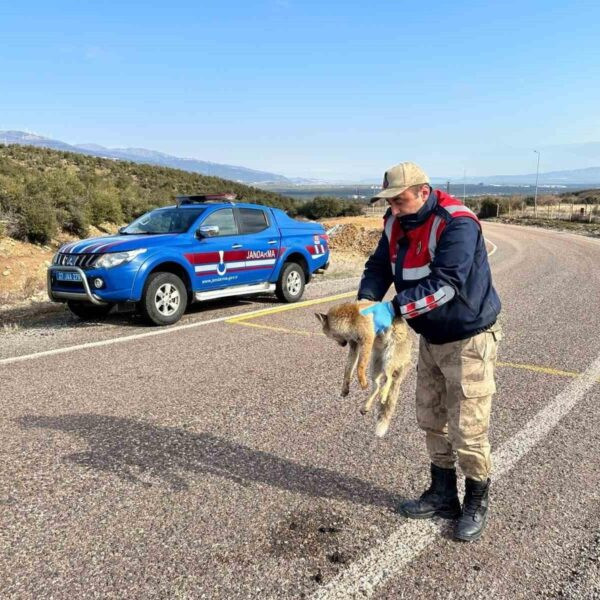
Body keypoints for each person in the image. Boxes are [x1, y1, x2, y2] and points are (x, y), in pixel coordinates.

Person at [358, 162, 502, 542]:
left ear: (424, 191)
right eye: (388, 200)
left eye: (400, 199)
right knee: (431, 417)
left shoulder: (458, 223)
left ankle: (476, 498)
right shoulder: (393, 221)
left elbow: (446, 286)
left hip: (468, 337)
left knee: (468, 426)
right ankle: (442, 494)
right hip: (430, 338)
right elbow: (378, 265)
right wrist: (367, 298)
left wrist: (392, 309)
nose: (394, 207)